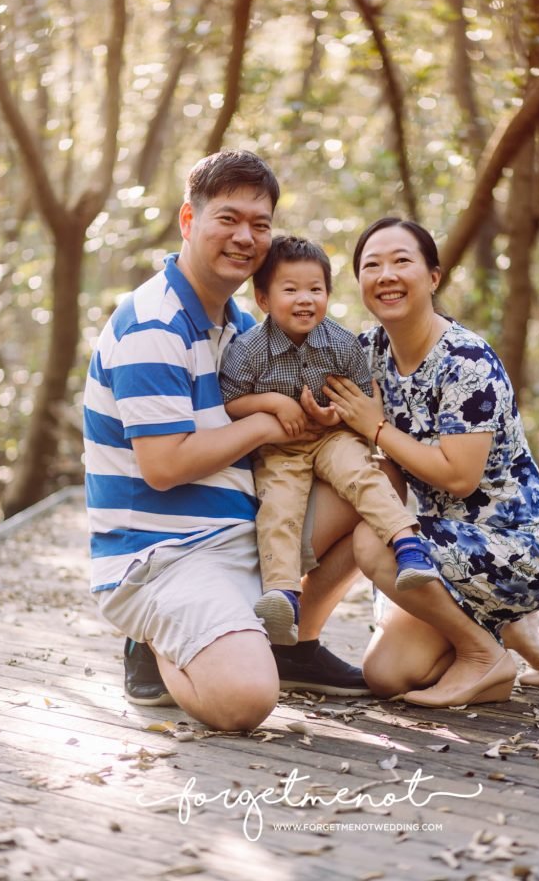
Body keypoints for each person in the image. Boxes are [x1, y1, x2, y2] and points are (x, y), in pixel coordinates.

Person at [83, 150, 367, 729]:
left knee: (376, 480)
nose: (246, 237)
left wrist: (326, 415)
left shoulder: (241, 326)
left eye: (260, 225)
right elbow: (163, 466)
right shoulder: (153, 324)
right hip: (166, 558)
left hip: (247, 534)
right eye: (228, 219)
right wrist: (265, 422)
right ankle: (155, 641)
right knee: (244, 701)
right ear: (189, 221)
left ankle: (291, 640)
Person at [302, 216, 539, 708]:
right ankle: (509, 630)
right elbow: (318, 402)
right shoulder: (366, 352)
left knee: (374, 538)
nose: (386, 275)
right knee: (387, 676)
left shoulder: (467, 362)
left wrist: (376, 427)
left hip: (515, 548)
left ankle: (484, 652)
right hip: (440, 544)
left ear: (433, 277)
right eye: (372, 265)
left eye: (402, 261)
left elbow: (460, 478)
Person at [218, 235, 424, 646]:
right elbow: (231, 401)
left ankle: (407, 545)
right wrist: (275, 402)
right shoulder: (248, 350)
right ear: (263, 298)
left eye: (315, 289)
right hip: (280, 449)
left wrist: (336, 415)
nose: (305, 300)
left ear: (328, 294)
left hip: (333, 436)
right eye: (290, 289)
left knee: (362, 475)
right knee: (279, 505)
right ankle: (283, 594)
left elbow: (366, 398)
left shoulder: (342, 343)